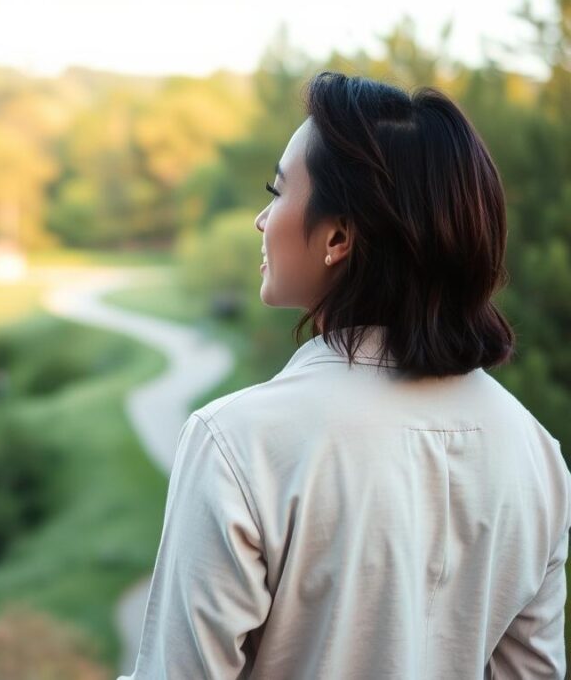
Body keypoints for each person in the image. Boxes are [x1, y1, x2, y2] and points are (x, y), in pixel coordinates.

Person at [119, 71, 571, 679]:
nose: (261, 219)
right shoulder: (536, 453)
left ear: (338, 236)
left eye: (277, 193)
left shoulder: (238, 442)